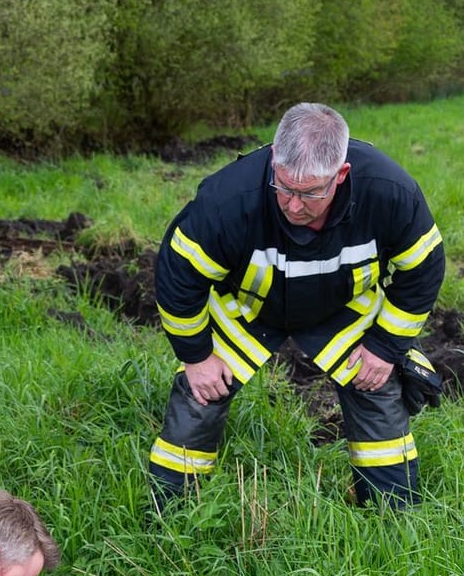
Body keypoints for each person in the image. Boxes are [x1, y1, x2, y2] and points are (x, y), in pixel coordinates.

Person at [147, 102, 446, 509]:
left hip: (343, 309)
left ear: (341, 175)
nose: (292, 205)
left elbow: (423, 268)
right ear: (273, 158)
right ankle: (169, 514)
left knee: (377, 386)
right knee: (200, 393)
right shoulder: (227, 199)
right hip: (247, 308)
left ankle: (393, 516)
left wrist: (385, 346)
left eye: (310, 193)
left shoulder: (388, 191)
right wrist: (197, 356)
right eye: (284, 187)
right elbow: (178, 274)